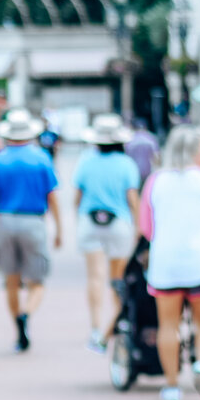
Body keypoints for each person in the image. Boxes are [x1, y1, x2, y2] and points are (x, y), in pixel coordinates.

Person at [138, 125, 200, 400]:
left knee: (168, 324)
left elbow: (146, 227)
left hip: (165, 262)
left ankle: (172, 385)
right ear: (195, 152)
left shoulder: (155, 181)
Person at [0, 108, 62, 351]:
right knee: (37, 280)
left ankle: (18, 327)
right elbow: (53, 197)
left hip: (5, 221)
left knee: (11, 280)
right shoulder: (42, 159)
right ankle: (27, 313)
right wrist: (59, 229)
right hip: (34, 221)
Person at [72, 113, 140, 351]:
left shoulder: (86, 161)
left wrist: (76, 219)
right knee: (118, 279)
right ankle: (118, 322)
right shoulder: (126, 164)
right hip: (118, 224)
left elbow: (76, 197)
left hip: (90, 221)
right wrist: (139, 226)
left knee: (94, 277)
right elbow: (132, 198)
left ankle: (95, 327)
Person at [126, 118, 160, 186]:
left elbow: (126, 156)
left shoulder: (129, 138)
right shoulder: (151, 138)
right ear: (145, 127)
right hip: (147, 172)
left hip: (133, 172)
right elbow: (157, 157)